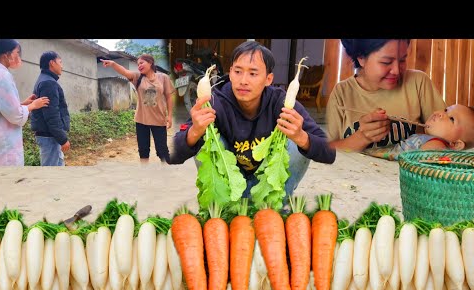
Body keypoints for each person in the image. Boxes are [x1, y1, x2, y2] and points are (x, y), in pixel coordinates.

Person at [170, 40, 336, 199]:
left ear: (268, 80)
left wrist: (302, 138)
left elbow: (330, 153)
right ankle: (221, 202)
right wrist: (194, 132)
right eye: (237, 71)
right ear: (230, 72)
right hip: (231, 188)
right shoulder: (215, 102)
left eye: (253, 73)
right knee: (203, 136)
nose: (243, 81)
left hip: (268, 188)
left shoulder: (281, 103)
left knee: (297, 140)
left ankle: (280, 202)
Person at [326, 39, 446, 154]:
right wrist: (362, 137)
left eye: (402, 60)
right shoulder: (342, 93)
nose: (396, 71)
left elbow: (450, 133)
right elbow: (325, 150)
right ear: (361, 58)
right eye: (386, 62)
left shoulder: (418, 82)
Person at [100, 54, 174, 164]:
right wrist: (113, 64)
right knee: (143, 151)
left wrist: (169, 116)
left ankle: (167, 173)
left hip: (159, 120)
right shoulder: (137, 77)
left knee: (162, 151)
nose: (139, 66)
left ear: (150, 63)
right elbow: (124, 71)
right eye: (138, 64)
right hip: (141, 120)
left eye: (142, 63)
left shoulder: (163, 78)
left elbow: (168, 97)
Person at [0, 39, 49, 166]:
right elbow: (15, 115)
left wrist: (23, 104)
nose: (18, 57)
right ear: (6, 55)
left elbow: (1, 106)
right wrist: (32, 106)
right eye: (16, 53)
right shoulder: (2, 76)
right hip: (4, 144)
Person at [364, 104, 474, 160]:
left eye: (451, 119)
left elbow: (422, 164)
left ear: (456, 144)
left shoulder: (436, 145)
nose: (441, 114)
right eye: (446, 110)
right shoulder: (428, 139)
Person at [30, 51, 70, 166]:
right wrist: (62, 138)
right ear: (52, 63)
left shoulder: (45, 80)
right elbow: (52, 114)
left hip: (49, 135)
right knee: (49, 175)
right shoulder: (48, 83)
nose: (62, 66)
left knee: (57, 172)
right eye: (60, 62)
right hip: (49, 137)